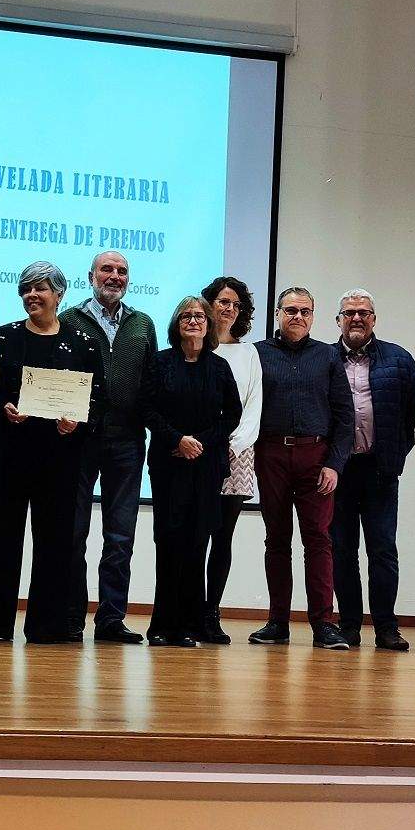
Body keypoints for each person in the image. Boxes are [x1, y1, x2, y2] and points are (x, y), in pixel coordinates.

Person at [0, 262, 103, 645]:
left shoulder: (84, 342)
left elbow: (98, 398)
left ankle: (49, 625)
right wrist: (2, 408)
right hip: (12, 450)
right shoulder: (4, 337)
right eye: (26, 288)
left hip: (61, 454)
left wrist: (77, 420)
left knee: (56, 538)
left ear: (59, 294)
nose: (32, 295)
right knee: (1, 535)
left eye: (41, 288)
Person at [60, 251, 157, 644]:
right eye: (107, 270)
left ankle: (111, 620)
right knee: (74, 533)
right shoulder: (68, 320)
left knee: (121, 536)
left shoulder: (142, 324)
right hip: (79, 440)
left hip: (128, 442)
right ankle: (70, 618)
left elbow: (151, 383)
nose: (114, 276)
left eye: (122, 271)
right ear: (91, 276)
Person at [250, 287, 354, 650]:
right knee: (276, 540)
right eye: (290, 310)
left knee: (319, 540)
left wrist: (335, 465)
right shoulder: (258, 354)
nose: (297, 317)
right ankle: (278, 622)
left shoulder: (327, 356)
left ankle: (324, 623)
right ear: (278, 313)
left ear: (314, 316)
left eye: (305, 311)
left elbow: (345, 415)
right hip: (271, 454)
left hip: (316, 459)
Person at [144, 297, 241, 647]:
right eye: (186, 315)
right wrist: (177, 439)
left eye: (199, 315)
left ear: (209, 324)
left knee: (197, 543)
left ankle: (189, 626)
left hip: (206, 466)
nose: (194, 321)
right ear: (176, 323)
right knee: (168, 542)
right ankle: (161, 626)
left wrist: (199, 442)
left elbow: (231, 416)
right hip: (169, 463)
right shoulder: (160, 363)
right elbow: (147, 408)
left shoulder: (219, 368)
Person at [329, 289, 415, 651]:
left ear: (374, 319)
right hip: (338, 471)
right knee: (342, 549)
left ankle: (386, 628)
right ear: (338, 320)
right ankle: (349, 625)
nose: (356, 318)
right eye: (349, 312)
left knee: (383, 550)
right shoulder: (325, 359)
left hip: (380, 471)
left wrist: (397, 454)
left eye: (364, 313)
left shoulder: (399, 361)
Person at [199, 275, 262, 644]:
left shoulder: (249, 353)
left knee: (223, 539)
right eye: (223, 301)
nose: (229, 309)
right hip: (197, 454)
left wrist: (233, 444)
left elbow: (253, 405)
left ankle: (212, 614)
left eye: (236, 304)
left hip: (236, 454)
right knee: (194, 537)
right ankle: (189, 610)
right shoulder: (194, 348)